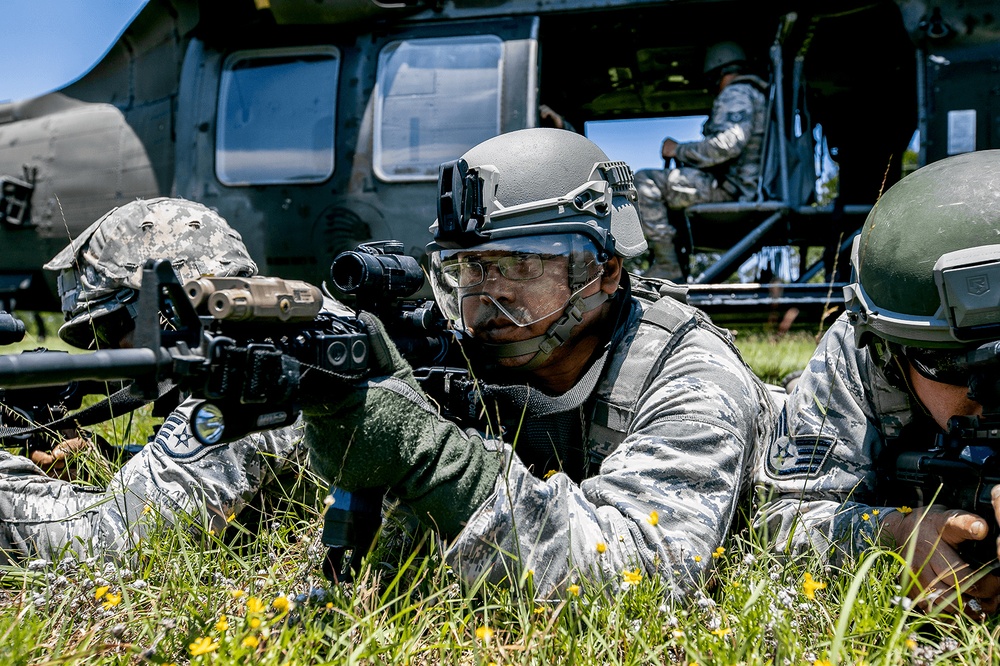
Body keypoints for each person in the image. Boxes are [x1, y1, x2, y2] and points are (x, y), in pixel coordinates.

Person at [301, 128, 776, 598]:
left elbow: (640, 577)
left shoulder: (689, 373)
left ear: (604, 271)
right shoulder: (449, 353)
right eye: (470, 267)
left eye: (522, 263)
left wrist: (434, 461)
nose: (491, 291)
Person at [755, 150, 1000, 617]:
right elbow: (780, 518)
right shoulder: (861, 349)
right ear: (889, 348)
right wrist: (892, 536)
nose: (983, 392)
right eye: (946, 363)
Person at [0, 197, 312, 563]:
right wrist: (108, 461)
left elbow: (114, 544)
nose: (113, 347)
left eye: (113, 326)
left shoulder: (250, 367)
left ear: (169, 306)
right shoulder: (284, 330)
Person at [633, 41, 768, 281]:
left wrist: (679, 150)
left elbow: (727, 145)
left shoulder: (736, 93)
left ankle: (667, 265)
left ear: (718, 73)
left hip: (732, 190)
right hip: (742, 186)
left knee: (646, 181)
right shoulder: (757, 94)